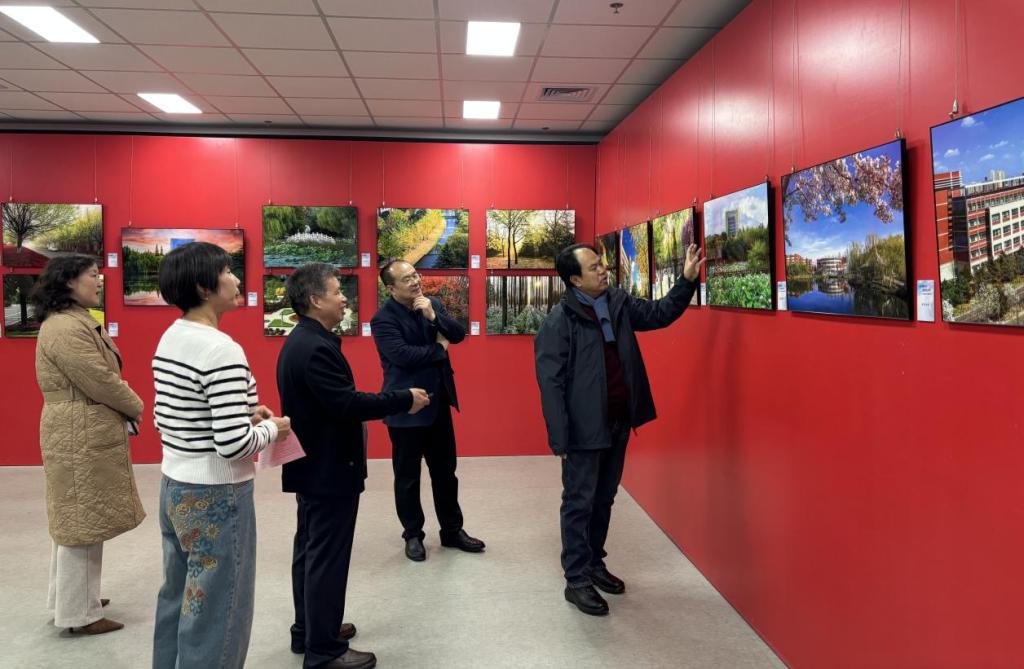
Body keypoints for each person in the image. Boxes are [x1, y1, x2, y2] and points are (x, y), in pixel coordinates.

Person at [534, 242, 704, 616]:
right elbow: (551, 385)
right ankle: (576, 579)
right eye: (594, 267)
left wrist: (687, 280)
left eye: (602, 264)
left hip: (618, 422)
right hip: (583, 431)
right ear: (575, 279)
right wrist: (560, 439)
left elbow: (660, 313)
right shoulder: (559, 323)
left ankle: (595, 562)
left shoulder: (618, 303)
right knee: (578, 503)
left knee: (604, 498)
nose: (603, 270)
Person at [277, 263, 431, 669]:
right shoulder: (314, 347)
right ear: (315, 300)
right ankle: (324, 650)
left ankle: (309, 630)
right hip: (328, 468)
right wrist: (403, 399)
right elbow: (345, 403)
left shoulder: (305, 339)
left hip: (315, 466)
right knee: (326, 557)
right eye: (336, 291)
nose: (344, 298)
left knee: (310, 550)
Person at [151, 241, 291, 669]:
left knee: (179, 598)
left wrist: (244, 414)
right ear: (203, 287)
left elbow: (171, 414)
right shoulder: (221, 349)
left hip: (175, 485)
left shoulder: (172, 337)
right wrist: (272, 428)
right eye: (228, 271)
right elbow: (233, 445)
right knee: (218, 612)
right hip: (216, 495)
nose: (235, 279)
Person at [33, 254, 145, 635]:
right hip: (78, 431)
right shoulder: (67, 327)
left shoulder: (70, 321)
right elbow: (99, 380)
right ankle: (80, 614)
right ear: (69, 281)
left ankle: (71, 600)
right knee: (81, 522)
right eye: (93, 275)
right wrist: (135, 405)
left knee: (78, 519)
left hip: (78, 429)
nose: (99, 282)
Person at [371, 260, 484, 561]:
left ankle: (452, 530)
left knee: (446, 473)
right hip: (406, 406)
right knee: (407, 477)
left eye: (416, 275)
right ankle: (413, 534)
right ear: (391, 288)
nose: (415, 281)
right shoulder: (382, 319)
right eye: (407, 279)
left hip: (438, 404)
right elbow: (403, 356)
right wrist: (439, 348)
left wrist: (434, 317)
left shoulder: (431, 304)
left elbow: (457, 334)